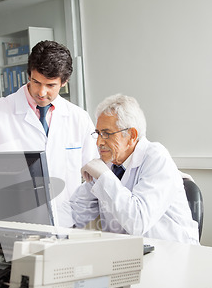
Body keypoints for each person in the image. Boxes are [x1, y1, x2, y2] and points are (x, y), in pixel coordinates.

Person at [0, 40, 98, 227]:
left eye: (50, 85)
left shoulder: (79, 118)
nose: (41, 92)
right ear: (29, 74)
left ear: (64, 82)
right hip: (12, 223)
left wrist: (78, 218)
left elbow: (94, 178)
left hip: (66, 225)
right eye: (36, 82)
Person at [69, 94, 200, 244]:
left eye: (106, 134)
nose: (99, 142)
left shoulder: (156, 157)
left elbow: (137, 222)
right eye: (98, 133)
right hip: (127, 254)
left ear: (132, 135)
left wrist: (104, 175)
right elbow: (76, 210)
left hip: (172, 252)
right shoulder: (110, 162)